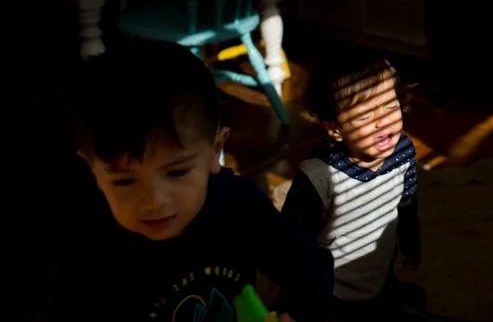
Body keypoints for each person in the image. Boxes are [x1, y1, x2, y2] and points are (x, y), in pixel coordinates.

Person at [51, 39, 333, 321]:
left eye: (176, 172)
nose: (154, 201)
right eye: (124, 181)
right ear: (92, 169)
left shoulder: (236, 202)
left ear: (215, 150)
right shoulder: (89, 252)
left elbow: (309, 265)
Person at [281, 60, 423, 320]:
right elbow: (290, 242)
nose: (382, 122)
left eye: (391, 106)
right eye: (365, 116)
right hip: (330, 291)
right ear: (335, 129)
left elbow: (407, 201)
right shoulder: (318, 175)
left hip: (380, 273)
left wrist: (411, 243)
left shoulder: (404, 151)